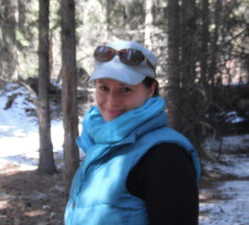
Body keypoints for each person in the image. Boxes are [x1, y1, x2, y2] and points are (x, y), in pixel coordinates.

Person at [64, 40, 201, 225]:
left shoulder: (165, 156)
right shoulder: (100, 143)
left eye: (125, 90)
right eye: (104, 88)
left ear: (150, 90)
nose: (111, 101)